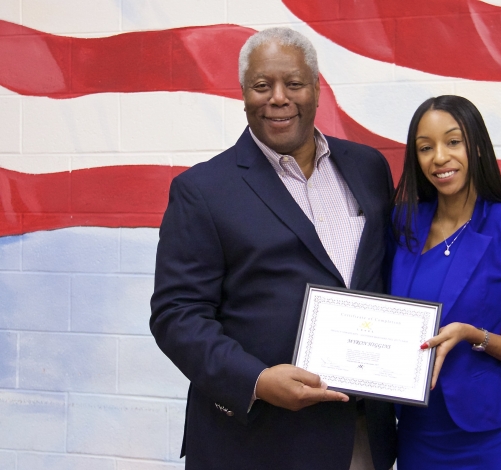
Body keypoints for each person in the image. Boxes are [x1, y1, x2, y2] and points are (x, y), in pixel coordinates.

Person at [150, 27, 396, 470]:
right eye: (262, 86)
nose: (278, 98)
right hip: (254, 443)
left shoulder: (368, 167)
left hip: (358, 437)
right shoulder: (202, 190)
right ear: (244, 94)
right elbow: (177, 315)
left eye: (294, 84)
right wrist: (257, 381)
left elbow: (387, 275)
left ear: (317, 89)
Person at [389, 95, 501, 469]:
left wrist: (474, 334)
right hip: (416, 432)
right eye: (425, 148)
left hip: (488, 437)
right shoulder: (401, 224)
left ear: (476, 146)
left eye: (453, 141)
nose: (439, 157)